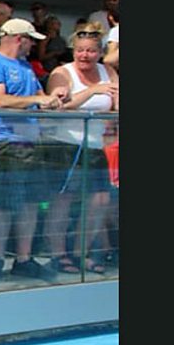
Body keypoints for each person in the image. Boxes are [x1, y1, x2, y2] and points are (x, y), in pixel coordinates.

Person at [0, 18, 68, 280]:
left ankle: (23, 258)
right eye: (30, 40)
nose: (33, 46)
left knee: (31, 201)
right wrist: (38, 99)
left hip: (32, 141)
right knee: (5, 203)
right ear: (19, 39)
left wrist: (53, 99)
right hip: (6, 143)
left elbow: (38, 97)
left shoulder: (25, 66)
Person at [41, 32, 118, 275]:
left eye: (91, 50)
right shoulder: (62, 73)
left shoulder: (108, 71)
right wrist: (93, 90)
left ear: (100, 53)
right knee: (62, 200)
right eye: (80, 50)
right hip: (66, 145)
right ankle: (58, 254)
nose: (85, 55)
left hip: (94, 145)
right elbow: (58, 106)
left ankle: (79, 251)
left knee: (100, 199)